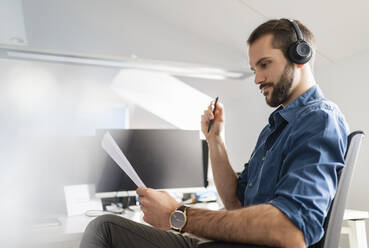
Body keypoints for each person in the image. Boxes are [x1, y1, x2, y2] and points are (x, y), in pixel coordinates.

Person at [80, 19, 349, 248]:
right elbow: (235, 203)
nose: (257, 79)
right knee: (106, 228)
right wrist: (215, 140)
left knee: (105, 230)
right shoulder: (275, 128)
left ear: (301, 56)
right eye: (254, 70)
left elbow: (292, 232)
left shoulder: (319, 119)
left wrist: (178, 215)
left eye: (265, 64)